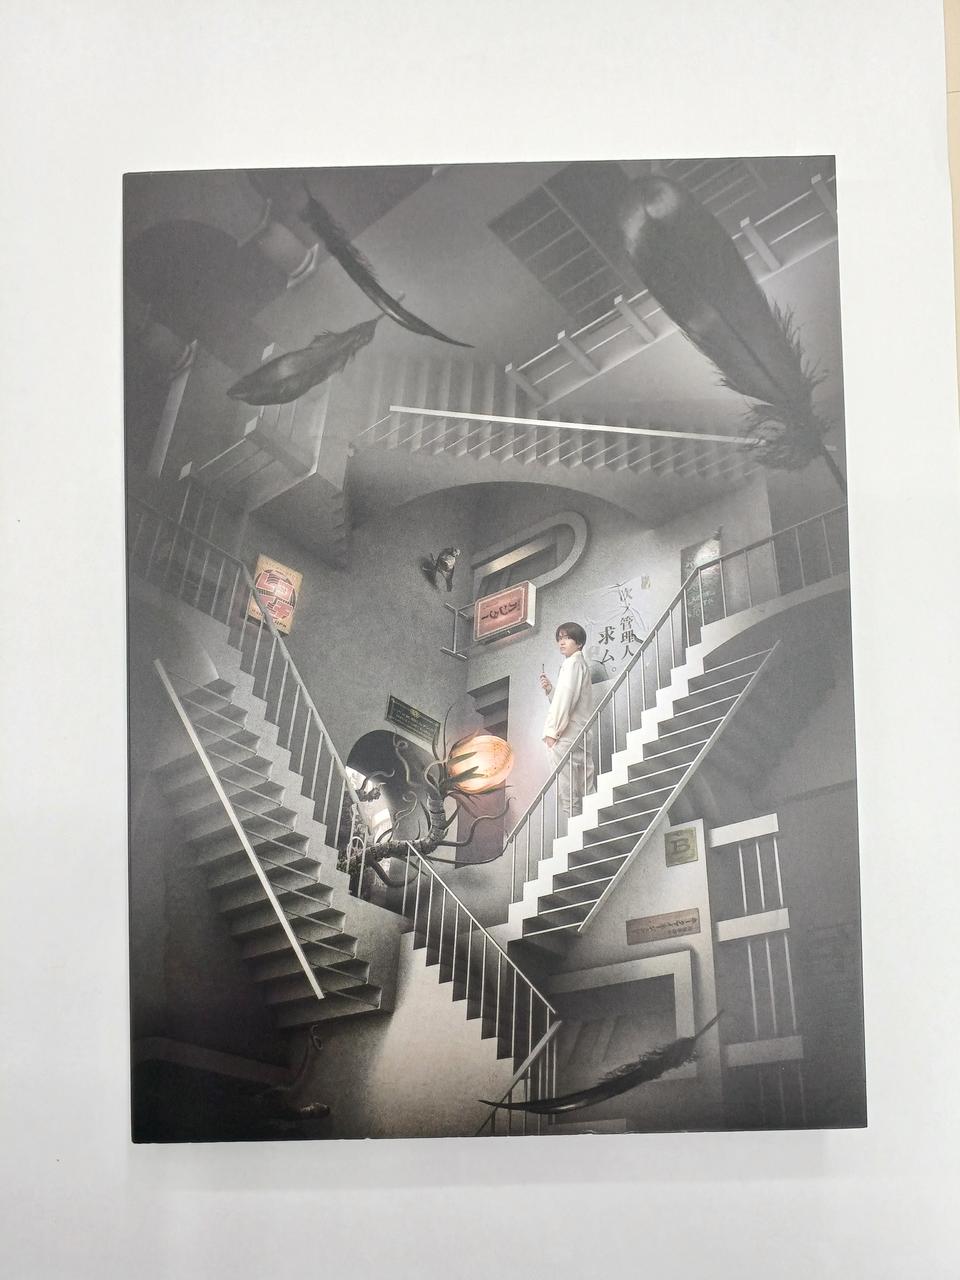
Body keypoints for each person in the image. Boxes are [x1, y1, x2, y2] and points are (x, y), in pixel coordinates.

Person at [539, 622, 596, 819]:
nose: (562, 642)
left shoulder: (572, 663)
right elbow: (569, 699)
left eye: (567, 638)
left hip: (567, 735)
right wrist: (550, 690)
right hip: (581, 733)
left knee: (567, 786)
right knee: (585, 784)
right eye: (560, 638)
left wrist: (552, 732)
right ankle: (593, 823)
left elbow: (566, 700)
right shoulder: (580, 665)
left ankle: (577, 828)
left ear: (579, 643)